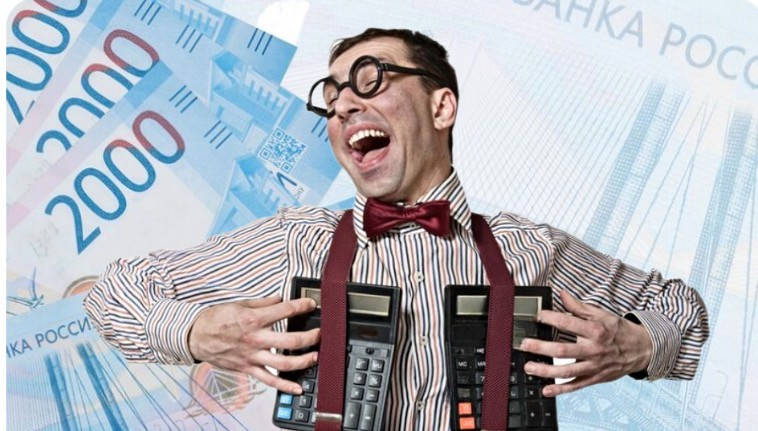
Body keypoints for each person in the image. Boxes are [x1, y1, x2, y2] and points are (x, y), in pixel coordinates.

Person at [83, 28, 709, 429]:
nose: (342, 105)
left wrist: (640, 346)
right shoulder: (296, 241)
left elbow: (683, 310)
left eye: (369, 79)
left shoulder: (529, 248)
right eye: (331, 96)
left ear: (441, 106)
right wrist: (192, 331)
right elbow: (114, 292)